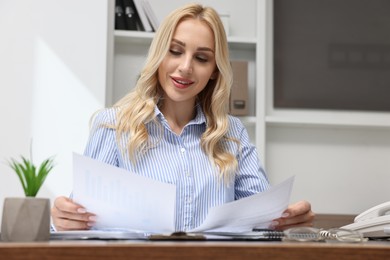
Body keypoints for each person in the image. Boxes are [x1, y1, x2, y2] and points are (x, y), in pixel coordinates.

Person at [51, 3, 314, 232]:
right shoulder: (112, 126)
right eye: (175, 51)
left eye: (201, 58)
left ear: (214, 70)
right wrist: (64, 218)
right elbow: (79, 219)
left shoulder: (232, 134)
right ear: (159, 55)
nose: (186, 67)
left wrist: (287, 219)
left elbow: (262, 218)